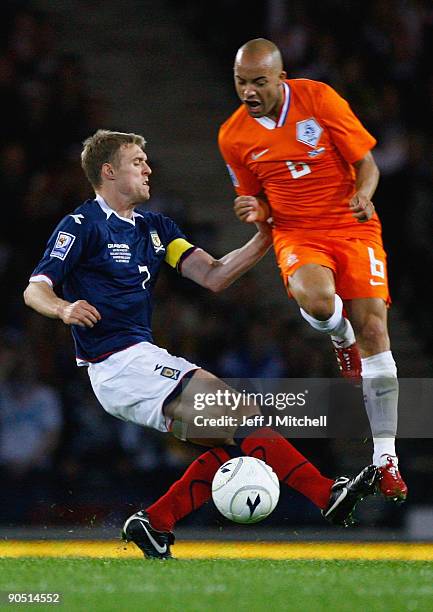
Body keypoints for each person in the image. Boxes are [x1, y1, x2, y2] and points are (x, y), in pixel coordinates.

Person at [24, 129, 377, 559]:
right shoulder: (82, 225)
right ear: (108, 170)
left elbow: (214, 274)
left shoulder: (156, 228)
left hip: (139, 360)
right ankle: (327, 496)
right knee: (239, 413)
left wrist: (267, 233)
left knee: (230, 439)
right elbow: (35, 288)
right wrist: (63, 309)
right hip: (116, 363)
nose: (148, 168)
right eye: (137, 162)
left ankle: (154, 523)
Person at [218, 38, 407, 503]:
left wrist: (363, 194)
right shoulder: (232, 136)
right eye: (241, 82)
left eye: (258, 82)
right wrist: (253, 207)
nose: (248, 91)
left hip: (352, 225)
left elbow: (367, 165)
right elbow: (255, 198)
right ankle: (337, 335)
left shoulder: (319, 99)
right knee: (321, 303)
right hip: (298, 233)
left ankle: (387, 459)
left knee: (376, 331)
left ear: (281, 78)